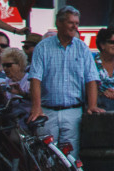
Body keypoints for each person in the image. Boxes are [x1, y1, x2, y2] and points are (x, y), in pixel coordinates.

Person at [28, 6, 103, 154]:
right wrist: (37, 107)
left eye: (77, 23)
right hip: (48, 111)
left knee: (71, 158)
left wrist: (92, 105)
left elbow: (91, 79)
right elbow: (35, 79)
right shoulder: (42, 47)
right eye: (71, 22)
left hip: (73, 111)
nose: (75, 26)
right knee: (47, 157)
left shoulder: (82, 48)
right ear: (59, 23)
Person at [93, 27, 114, 112]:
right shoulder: (91, 62)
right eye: (112, 42)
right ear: (102, 44)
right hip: (98, 109)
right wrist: (101, 93)